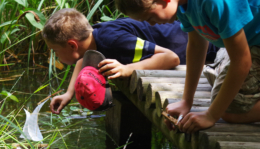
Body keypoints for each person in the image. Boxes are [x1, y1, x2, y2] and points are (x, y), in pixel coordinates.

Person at [115, 0, 260, 133]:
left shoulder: (213, 3)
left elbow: (241, 61)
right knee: (218, 80)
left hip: (253, 42)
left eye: (150, 18)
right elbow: (197, 44)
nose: (151, 24)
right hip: (248, 40)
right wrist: (186, 101)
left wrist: (211, 115)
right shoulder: (183, 5)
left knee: (230, 111)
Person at [42, 8, 218, 114]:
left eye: (56, 51)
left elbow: (171, 58)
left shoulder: (113, 40)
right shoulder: (92, 38)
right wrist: (68, 94)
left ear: (72, 45)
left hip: (206, 47)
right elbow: (83, 61)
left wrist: (128, 69)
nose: (56, 56)